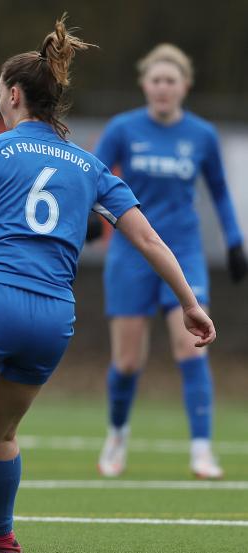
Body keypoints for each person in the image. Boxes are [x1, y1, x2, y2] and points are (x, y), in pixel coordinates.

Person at [0, 16, 216, 553]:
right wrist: (190, 304)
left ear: (14, 95)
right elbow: (150, 240)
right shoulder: (89, 164)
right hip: (52, 316)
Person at [94, 44, 245, 480]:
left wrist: (235, 242)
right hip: (129, 253)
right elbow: (94, 177)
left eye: (170, 81)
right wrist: (88, 216)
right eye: (156, 80)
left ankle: (201, 450)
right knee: (126, 361)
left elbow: (218, 190)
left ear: (185, 86)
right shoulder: (123, 128)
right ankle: (117, 435)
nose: (162, 88)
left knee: (192, 348)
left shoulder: (202, 135)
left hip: (184, 253)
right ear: (145, 84)